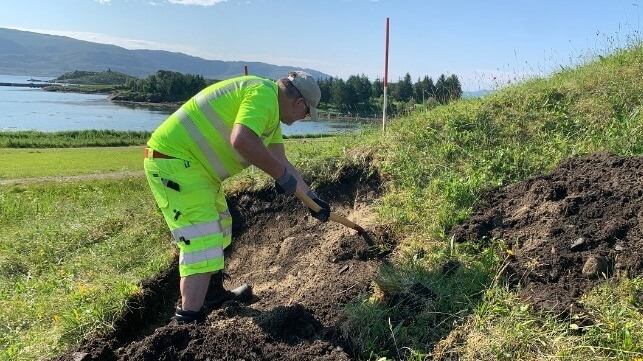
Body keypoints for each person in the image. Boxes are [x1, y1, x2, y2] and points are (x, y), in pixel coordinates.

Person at [143, 71, 331, 323]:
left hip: (198, 170)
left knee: (221, 227)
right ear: (299, 103)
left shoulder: (270, 112)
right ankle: (187, 322)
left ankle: (212, 296)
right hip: (175, 164)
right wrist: (279, 175)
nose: (303, 118)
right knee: (202, 242)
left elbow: (281, 161)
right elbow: (242, 140)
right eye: (307, 113)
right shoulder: (262, 95)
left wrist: (311, 198)